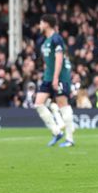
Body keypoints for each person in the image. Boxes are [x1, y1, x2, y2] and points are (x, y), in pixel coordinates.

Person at [34, 14, 75, 147]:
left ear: (46, 24)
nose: (39, 26)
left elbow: (59, 58)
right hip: (48, 77)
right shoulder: (45, 41)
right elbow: (48, 61)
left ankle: (69, 139)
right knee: (38, 104)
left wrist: (56, 78)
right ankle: (57, 132)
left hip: (60, 77)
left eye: (41, 23)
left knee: (63, 104)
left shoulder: (56, 39)